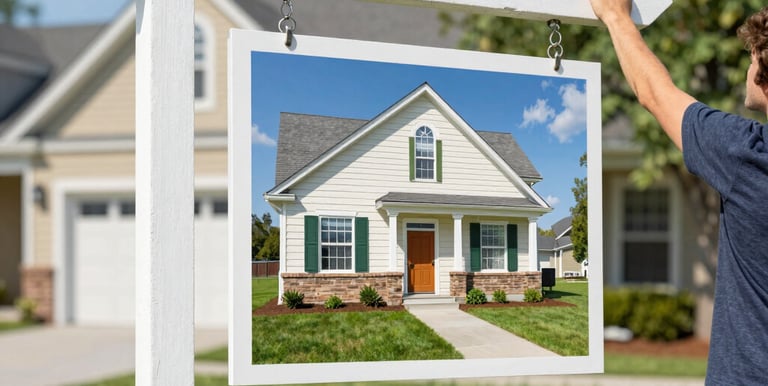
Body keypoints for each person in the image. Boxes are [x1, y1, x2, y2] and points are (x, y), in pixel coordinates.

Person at [589, 1, 768, 385]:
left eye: (753, 59)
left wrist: (616, 16)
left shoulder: (748, 156)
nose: (748, 69)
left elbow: (655, 92)